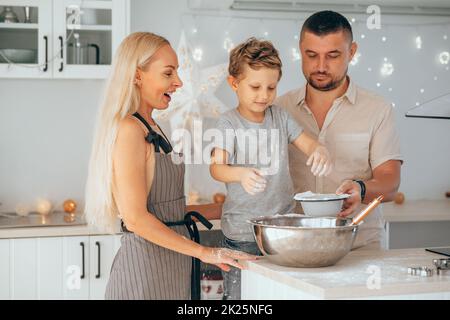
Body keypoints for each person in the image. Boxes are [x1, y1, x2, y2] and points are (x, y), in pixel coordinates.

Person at [84, 32, 257, 300]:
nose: (178, 82)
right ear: (137, 76)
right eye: (168, 73)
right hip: (144, 272)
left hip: (170, 264)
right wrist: (207, 252)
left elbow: (165, 210)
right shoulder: (130, 129)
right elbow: (136, 219)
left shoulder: (151, 125)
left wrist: (231, 208)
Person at [209, 38, 333, 300]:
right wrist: (240, 173)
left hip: (281, 229)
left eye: (271, 87)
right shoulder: (228, 123)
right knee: (242, 297)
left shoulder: (280, 117)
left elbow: (308, 143)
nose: (264, 95)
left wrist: (319, 150)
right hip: (242, 232)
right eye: (255, 87)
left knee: (278, 293)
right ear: (234, 84)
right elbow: (217, 168)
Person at [275, 11, 403, 249]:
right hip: (294, 245)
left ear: (351, 52)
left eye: (333, 56)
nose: (320, 66)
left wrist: (361, 189)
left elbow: (391, 183)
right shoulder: (278, 109)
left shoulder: (378, 109)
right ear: (300, 50)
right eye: (311, 55)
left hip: (360, 248)